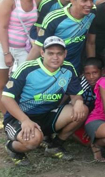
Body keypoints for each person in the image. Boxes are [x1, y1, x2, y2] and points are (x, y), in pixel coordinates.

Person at [2, 36, 87, 165]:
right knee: (32, 142)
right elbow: (6, 98)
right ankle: (12, 148)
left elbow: (76, 95)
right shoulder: (27, 69)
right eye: (51, 53)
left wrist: (79, 101)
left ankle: (54, 145)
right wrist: (25, 120)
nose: (55, 57)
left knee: (82, 111)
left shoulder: (68, 69)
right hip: (20, 117)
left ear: (65, 54)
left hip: (47, 115)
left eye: (59, 53)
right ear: (42, 53)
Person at [29, 0, 95, 73]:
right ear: (72, 0)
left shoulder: (93, 13)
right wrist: (23, 70)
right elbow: (38, 47)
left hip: (76, 66)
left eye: (91, 1)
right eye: (84, 1)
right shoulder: (54, 18)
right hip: (54, 66)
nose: (89, 4)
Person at [0, 0, 40, 114]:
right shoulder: (10, 0)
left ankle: (18, 114)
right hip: (4, 47)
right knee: (2, 84)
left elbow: (38, 27)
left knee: (21, 84)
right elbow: (2, 27)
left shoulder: (37, 1)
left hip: (25, 49)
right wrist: (6, 53)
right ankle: (7, 117)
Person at [72, 57, 103, 145]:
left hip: (97, 117)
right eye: (87, 74)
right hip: (82, 116)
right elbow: (75, 107)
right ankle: (73, 131)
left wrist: (90, 126)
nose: (91, 77)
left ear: (102, 71)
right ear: (83, 74)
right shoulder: (81, 85)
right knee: (88, 142)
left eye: (95, 73)